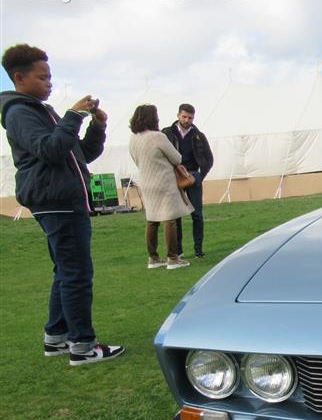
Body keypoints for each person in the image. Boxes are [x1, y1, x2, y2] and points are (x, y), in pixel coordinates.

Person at [0, 44, 123, 365]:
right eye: (42, 77)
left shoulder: (40, 111)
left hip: (61, 200)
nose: (49, 83)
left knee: (65, 271)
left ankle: (56, 337)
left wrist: (97, 126)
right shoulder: (19, 113)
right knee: (76, 273)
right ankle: (83, 345)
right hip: (57, 202)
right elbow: (51, 149)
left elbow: (80, 154)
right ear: (19, 77)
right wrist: (73, 116)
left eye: (50, 77)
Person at [128, 105, 193, 270]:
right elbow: (176, 158)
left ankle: (153, 258)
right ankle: (173, 258)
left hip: (146, 182)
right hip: (164, 182)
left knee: (152, 220)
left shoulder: (133, 139)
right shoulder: (158, 137)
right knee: (169, 219)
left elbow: (136, 160)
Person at [162, 104, 213, 258]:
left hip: (192, 176)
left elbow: (209, 159)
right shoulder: (167, 133)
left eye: (190, 118)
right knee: (176, 215)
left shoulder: (198, 135)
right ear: (178, 115)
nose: (187, 120)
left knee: (197, 214)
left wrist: (199, 177)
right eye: (184, 117)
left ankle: (198, 250)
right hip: (174, 177)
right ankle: (179, 251)